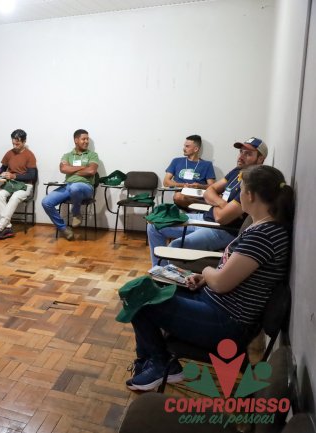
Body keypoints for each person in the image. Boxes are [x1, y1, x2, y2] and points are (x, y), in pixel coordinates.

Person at [124, 165, 293, 391]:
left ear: (250, 195)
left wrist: (205, 272)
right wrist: (203, 279)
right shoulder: (262, 227)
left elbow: (221, 283)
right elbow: (230, 272)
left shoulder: (265, 235)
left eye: (241, 190)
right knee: (144, 289)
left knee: (141, 302)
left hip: (227, 323)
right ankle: (150, 360)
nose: (238, 195)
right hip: (215, 304)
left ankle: (161, 363)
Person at [146, 137, 267, 266]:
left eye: (248, 154)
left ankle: (166, 275)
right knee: (154, 227)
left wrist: (215, 200)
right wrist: (222, 203)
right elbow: (210, 190)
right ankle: (158, 271)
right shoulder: (237, 171)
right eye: (241, 152)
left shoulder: (253, 183)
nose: (241, 157)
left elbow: (221, 218)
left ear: (260, 159)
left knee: (174, 247)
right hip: (206, 217)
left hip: (222, 230)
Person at [42, 129, 99, 241]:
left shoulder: (92, 155)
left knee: (75, 187)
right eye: (83, 139)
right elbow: (63, 169)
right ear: (76, 140)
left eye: (87, 139)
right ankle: (63, 229)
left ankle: (76, 213)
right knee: (46, 202)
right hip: (68, 185)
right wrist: (82, 167)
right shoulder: (67, 155)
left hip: (86, 187)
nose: (86, 141)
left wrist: (71, 170)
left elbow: (91, 171)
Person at [0, 129, 37, 240]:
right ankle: (8, 227)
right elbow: (3, 169)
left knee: (15, 197)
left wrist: (14, 176)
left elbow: (31, 176)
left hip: (25, 185)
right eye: (13, 143)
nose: (14, 146)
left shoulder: (30, 155)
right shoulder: (9, 153)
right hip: (11, 184)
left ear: (24, 141)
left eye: (17, 144)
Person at [163, 135, 216, 209]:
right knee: (178, 196)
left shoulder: (207, 164)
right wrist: (183, 185)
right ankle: (201, 205)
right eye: (184, 146)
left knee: (217, 197)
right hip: (182, 196)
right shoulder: (176, 161)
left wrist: (200, 186)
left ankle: (198, 205)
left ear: (196, 149)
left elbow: (212, 186)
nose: (184, 148)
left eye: (187, 146)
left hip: (198, 194)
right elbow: (166, 182)